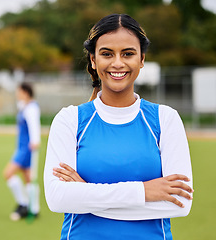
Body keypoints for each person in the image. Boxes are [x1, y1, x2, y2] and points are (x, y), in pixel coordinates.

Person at [44, 14, 193, 240]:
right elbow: (58, 199)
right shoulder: (70, 120)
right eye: (106, 54)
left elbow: (180, 203)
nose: (117, 63)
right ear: (93, 60)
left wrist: (85, 194)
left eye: (128, 53)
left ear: (142, 59)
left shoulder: (165, 119)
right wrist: (144, 192)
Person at [3, 82, 41, 221]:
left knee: (8, 173)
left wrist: (35, 141)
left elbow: (34, 125)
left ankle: (24, 204)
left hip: (26, 148)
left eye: (19, 91)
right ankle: (34, 208)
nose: (16, 94)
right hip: (21, 147)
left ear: (25, 92)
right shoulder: (23, 106)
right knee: (28, 178)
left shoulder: (31, 108)